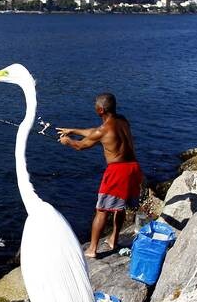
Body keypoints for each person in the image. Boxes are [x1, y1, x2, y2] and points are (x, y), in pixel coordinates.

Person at [57, 93, 143, 258]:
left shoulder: (103, 130)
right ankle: (113, 239)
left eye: (95, 106)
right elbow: (95, 132)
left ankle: (92, 249)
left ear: (100, 110)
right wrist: (73, 130)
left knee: (102, 210)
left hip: (117, 172)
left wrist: (68, 141)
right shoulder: (122, 121)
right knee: (120, 206)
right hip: (133, 168)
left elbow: (81, 146)